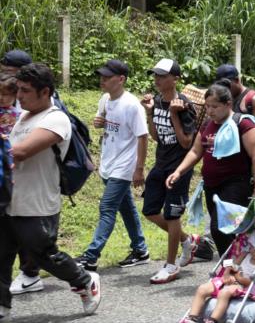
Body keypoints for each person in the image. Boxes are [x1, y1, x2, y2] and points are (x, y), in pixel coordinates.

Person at [0, 63, 101, 318]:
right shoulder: (22, 116)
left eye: (25, 90)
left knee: (44, 256)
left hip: (37, 204)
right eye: (18, 90)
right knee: (1, 256)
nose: (19, 95)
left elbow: (19, 152)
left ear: (45, 92)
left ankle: (84, 281)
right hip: (10, 200)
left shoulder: (56, 119)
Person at [166, 81, 255, 257]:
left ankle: (234, 269)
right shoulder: (207, 124)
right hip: (212, 186)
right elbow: (196, 151)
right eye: (207, 106)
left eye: (215, 106)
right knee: (224, 231)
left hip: (236, 185)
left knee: (219, 228)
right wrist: (178, 171)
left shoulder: (242, 124)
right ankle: (232, 269)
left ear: (228, 104)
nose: (210, 111)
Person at [75, 60, 150, 272]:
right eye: (102, 76)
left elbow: (142, 137)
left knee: (107, 207)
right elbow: (104, 122)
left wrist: (139, 168)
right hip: (109, 162)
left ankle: (91, 256)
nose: (103, 80)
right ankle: (141, 249)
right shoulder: (105, 100)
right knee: (126, 208)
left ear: (121, 79)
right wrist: (101, 123)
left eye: (107, 77)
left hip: (125, 166)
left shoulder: (132, 105)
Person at [141, 58, 200, 284]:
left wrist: (175, 114)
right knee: (149, 210)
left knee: (172, 214)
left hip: (179, 167)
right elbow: (156, 137)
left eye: (162, 76)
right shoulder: (156, 101)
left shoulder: (184, 106)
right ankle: (187, 241)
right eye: (155, 75)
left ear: (175, 79)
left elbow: (186, 143)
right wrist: (150, 113)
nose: (157, 79)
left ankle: (170, 265)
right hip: (160, 163)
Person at [0, 53, 45, 297]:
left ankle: (32, 272)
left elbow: (24, 147)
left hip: (29, 176)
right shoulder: (8, 96)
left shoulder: (37, 102)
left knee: (29, 231)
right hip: (8, 174)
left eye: (10, 70)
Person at [182, 234, 255, 323]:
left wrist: (237, 276)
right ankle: (192, 318)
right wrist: (226, 273)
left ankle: (213, 320)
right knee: (202, 288)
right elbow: (231, 263)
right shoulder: (245, 254)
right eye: (252, 247)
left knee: (224, 292)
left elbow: (249, 282)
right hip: (228, 279)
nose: (252, 250)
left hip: (239, 286)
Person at [215, 64, 255, 141]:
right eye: (221, 85)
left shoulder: (253, 100)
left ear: (237, 80)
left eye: (227, 85)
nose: (224, 89)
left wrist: (234, 130)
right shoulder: (226, 97)